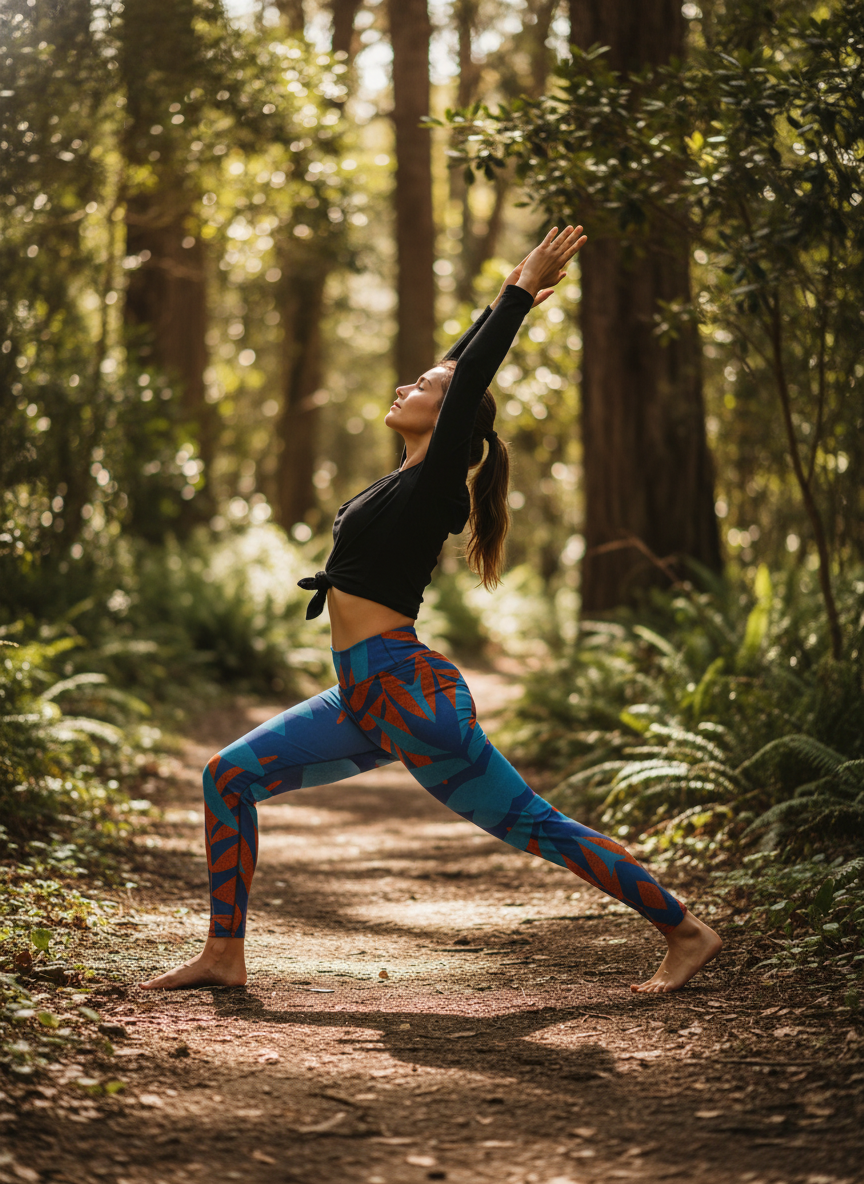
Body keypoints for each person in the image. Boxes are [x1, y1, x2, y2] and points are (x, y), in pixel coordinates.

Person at [142, 226, 721, 995]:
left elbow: (469, 373)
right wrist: (505, 291)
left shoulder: (438, 483)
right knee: (228, 777)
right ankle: (223, 955)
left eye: (417, 389)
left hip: (409, 696)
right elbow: (458, 366)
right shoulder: (404, 478)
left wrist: (517, 301)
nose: (401, 390)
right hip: (362, 695)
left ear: (453, 427)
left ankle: (685, 931)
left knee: (535, 826)